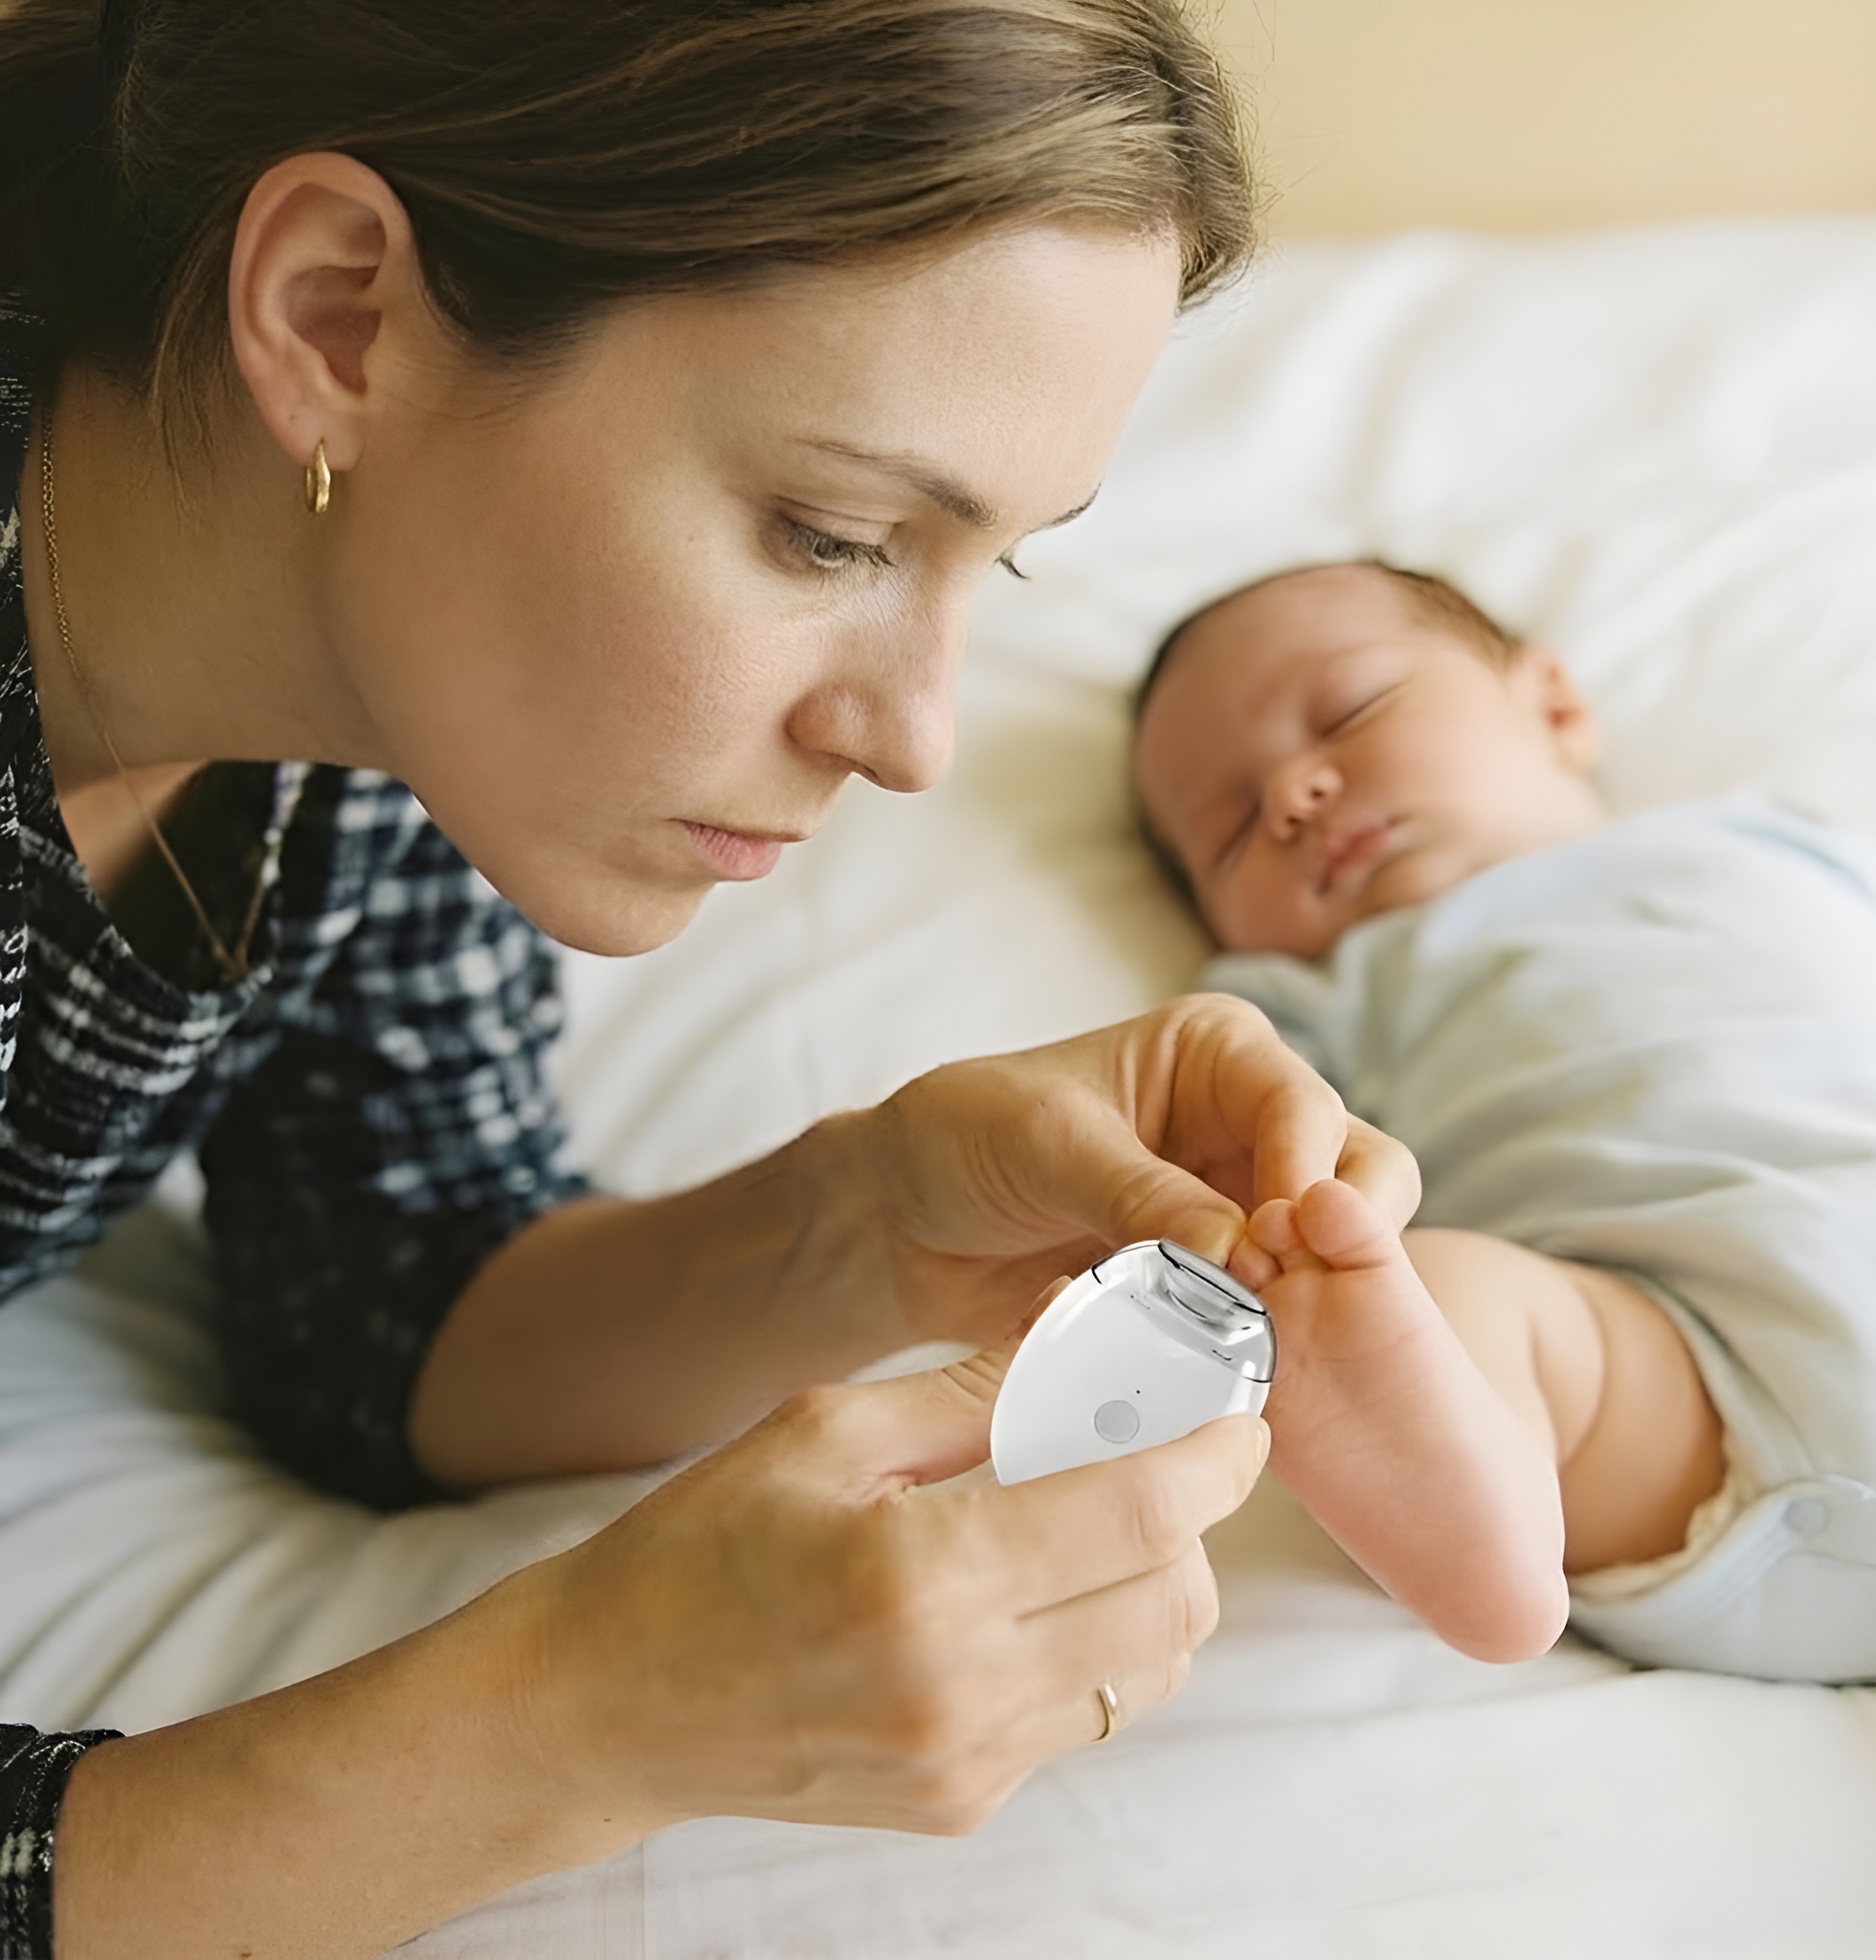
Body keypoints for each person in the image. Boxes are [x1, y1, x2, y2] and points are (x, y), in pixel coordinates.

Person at [0, 7, 1433, 1956]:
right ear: (341, 319)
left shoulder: (381, 687)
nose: (912, 734)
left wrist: (868, 1223)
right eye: (831, 532)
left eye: (985, 564)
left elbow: (378, 1297)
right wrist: (569, 1725)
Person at [1132, 558, 1876, 1681]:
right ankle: (1487, 1529)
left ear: (1555, 705)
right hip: (1699, 1404)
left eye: (1348, 712)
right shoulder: (1311, 1002)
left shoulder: (1772, 843)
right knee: (1422, 1285)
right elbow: (1239, 1160)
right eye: (1228, 830)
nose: (1290, 797)